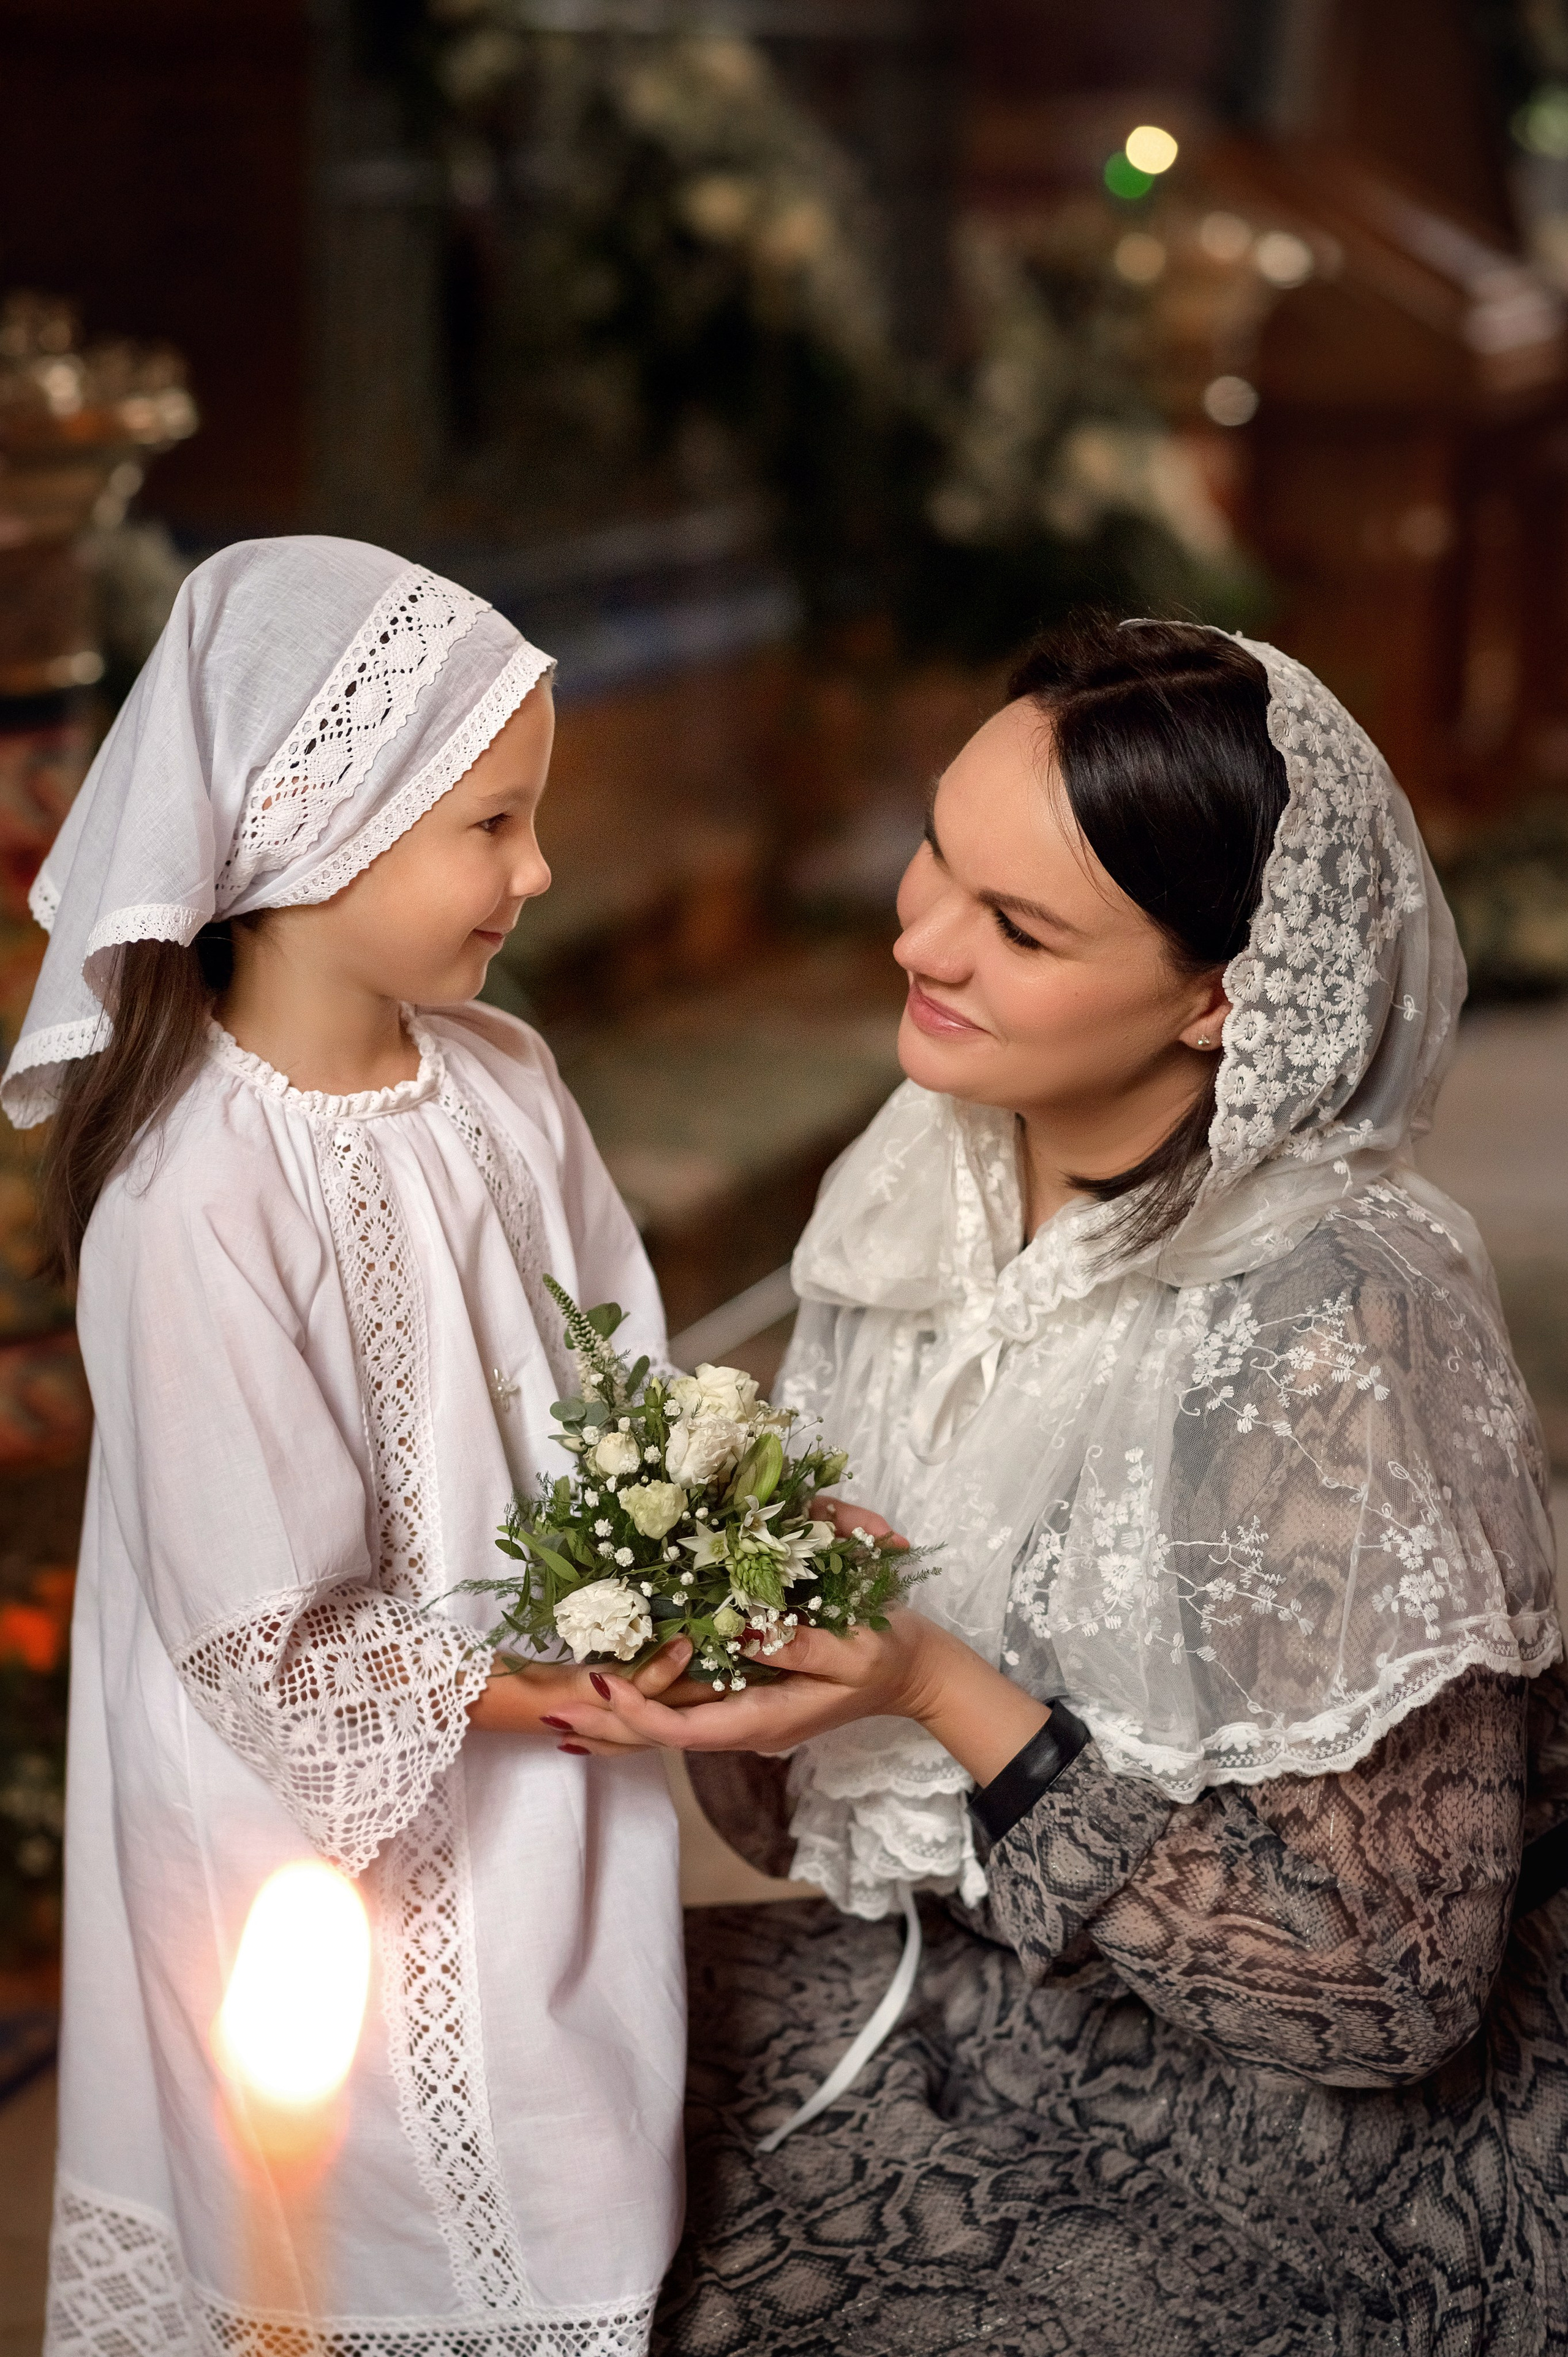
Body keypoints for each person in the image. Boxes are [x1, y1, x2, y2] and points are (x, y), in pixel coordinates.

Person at [579, 622, 1568, 2355]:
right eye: (939, 854)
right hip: (963, 1993)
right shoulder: (921, 1176)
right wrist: (737, 1674)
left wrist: (940, 1690)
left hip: (1305, 2138)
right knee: (496, 2106)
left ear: (1218, 996)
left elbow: (1390, 1995)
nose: (921, 937)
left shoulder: (1338, 1319)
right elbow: (823, 1836)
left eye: (1019, 928)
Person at [2, 537, 711, 2357]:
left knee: (570, 2113)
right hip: (315, 1802)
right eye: (492, 825)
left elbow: (617, 1370)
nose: (535, 871)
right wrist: (534, 1690)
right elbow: (263, 1622)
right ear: (313, 824)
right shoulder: (193, 1185)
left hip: (545, 1732)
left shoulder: (505, 1080)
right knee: (351, 2164)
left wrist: (697, 1546)